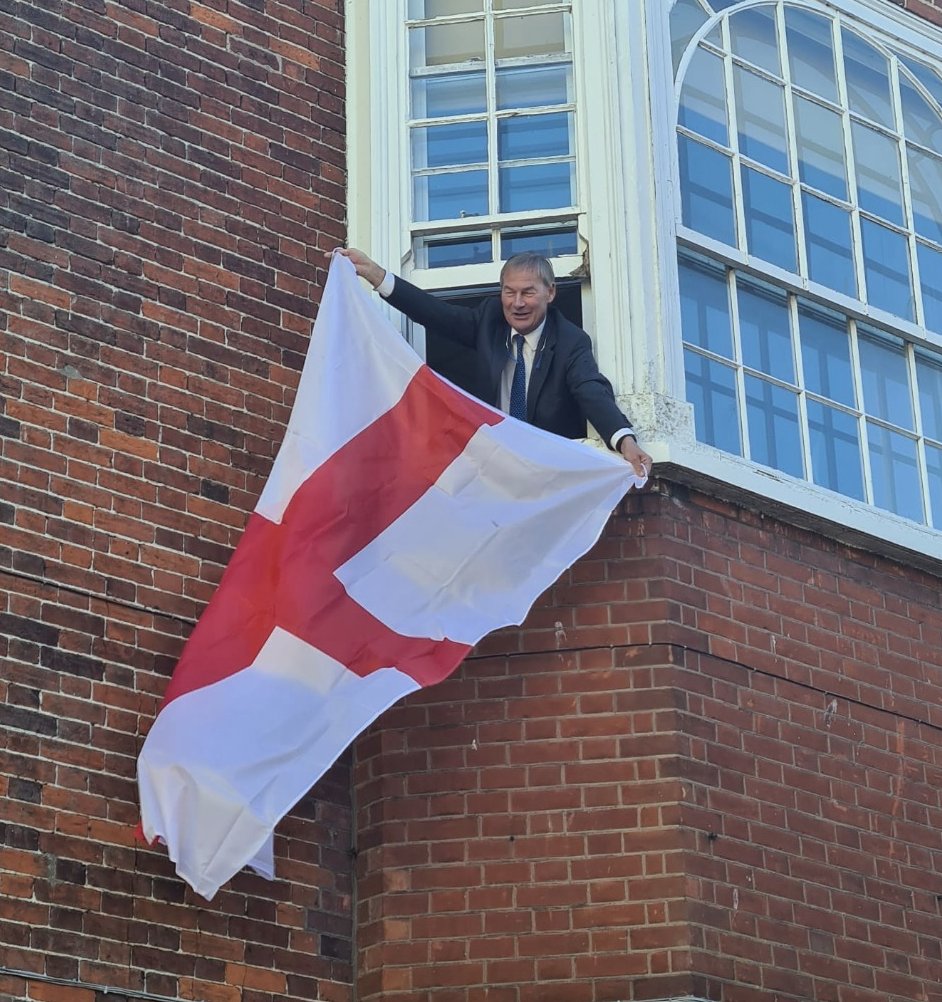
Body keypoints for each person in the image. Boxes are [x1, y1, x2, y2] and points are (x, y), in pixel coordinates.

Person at [334, 247, 653, 480]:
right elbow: (434, 313)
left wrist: (624, 440)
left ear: (550, 293)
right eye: (509, 292)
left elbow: (591, 391)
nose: (516, 303)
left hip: (542, 470)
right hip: (488, 466)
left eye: (528, 293)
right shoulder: (488, 320)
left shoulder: (570, 342)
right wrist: (377, 275)